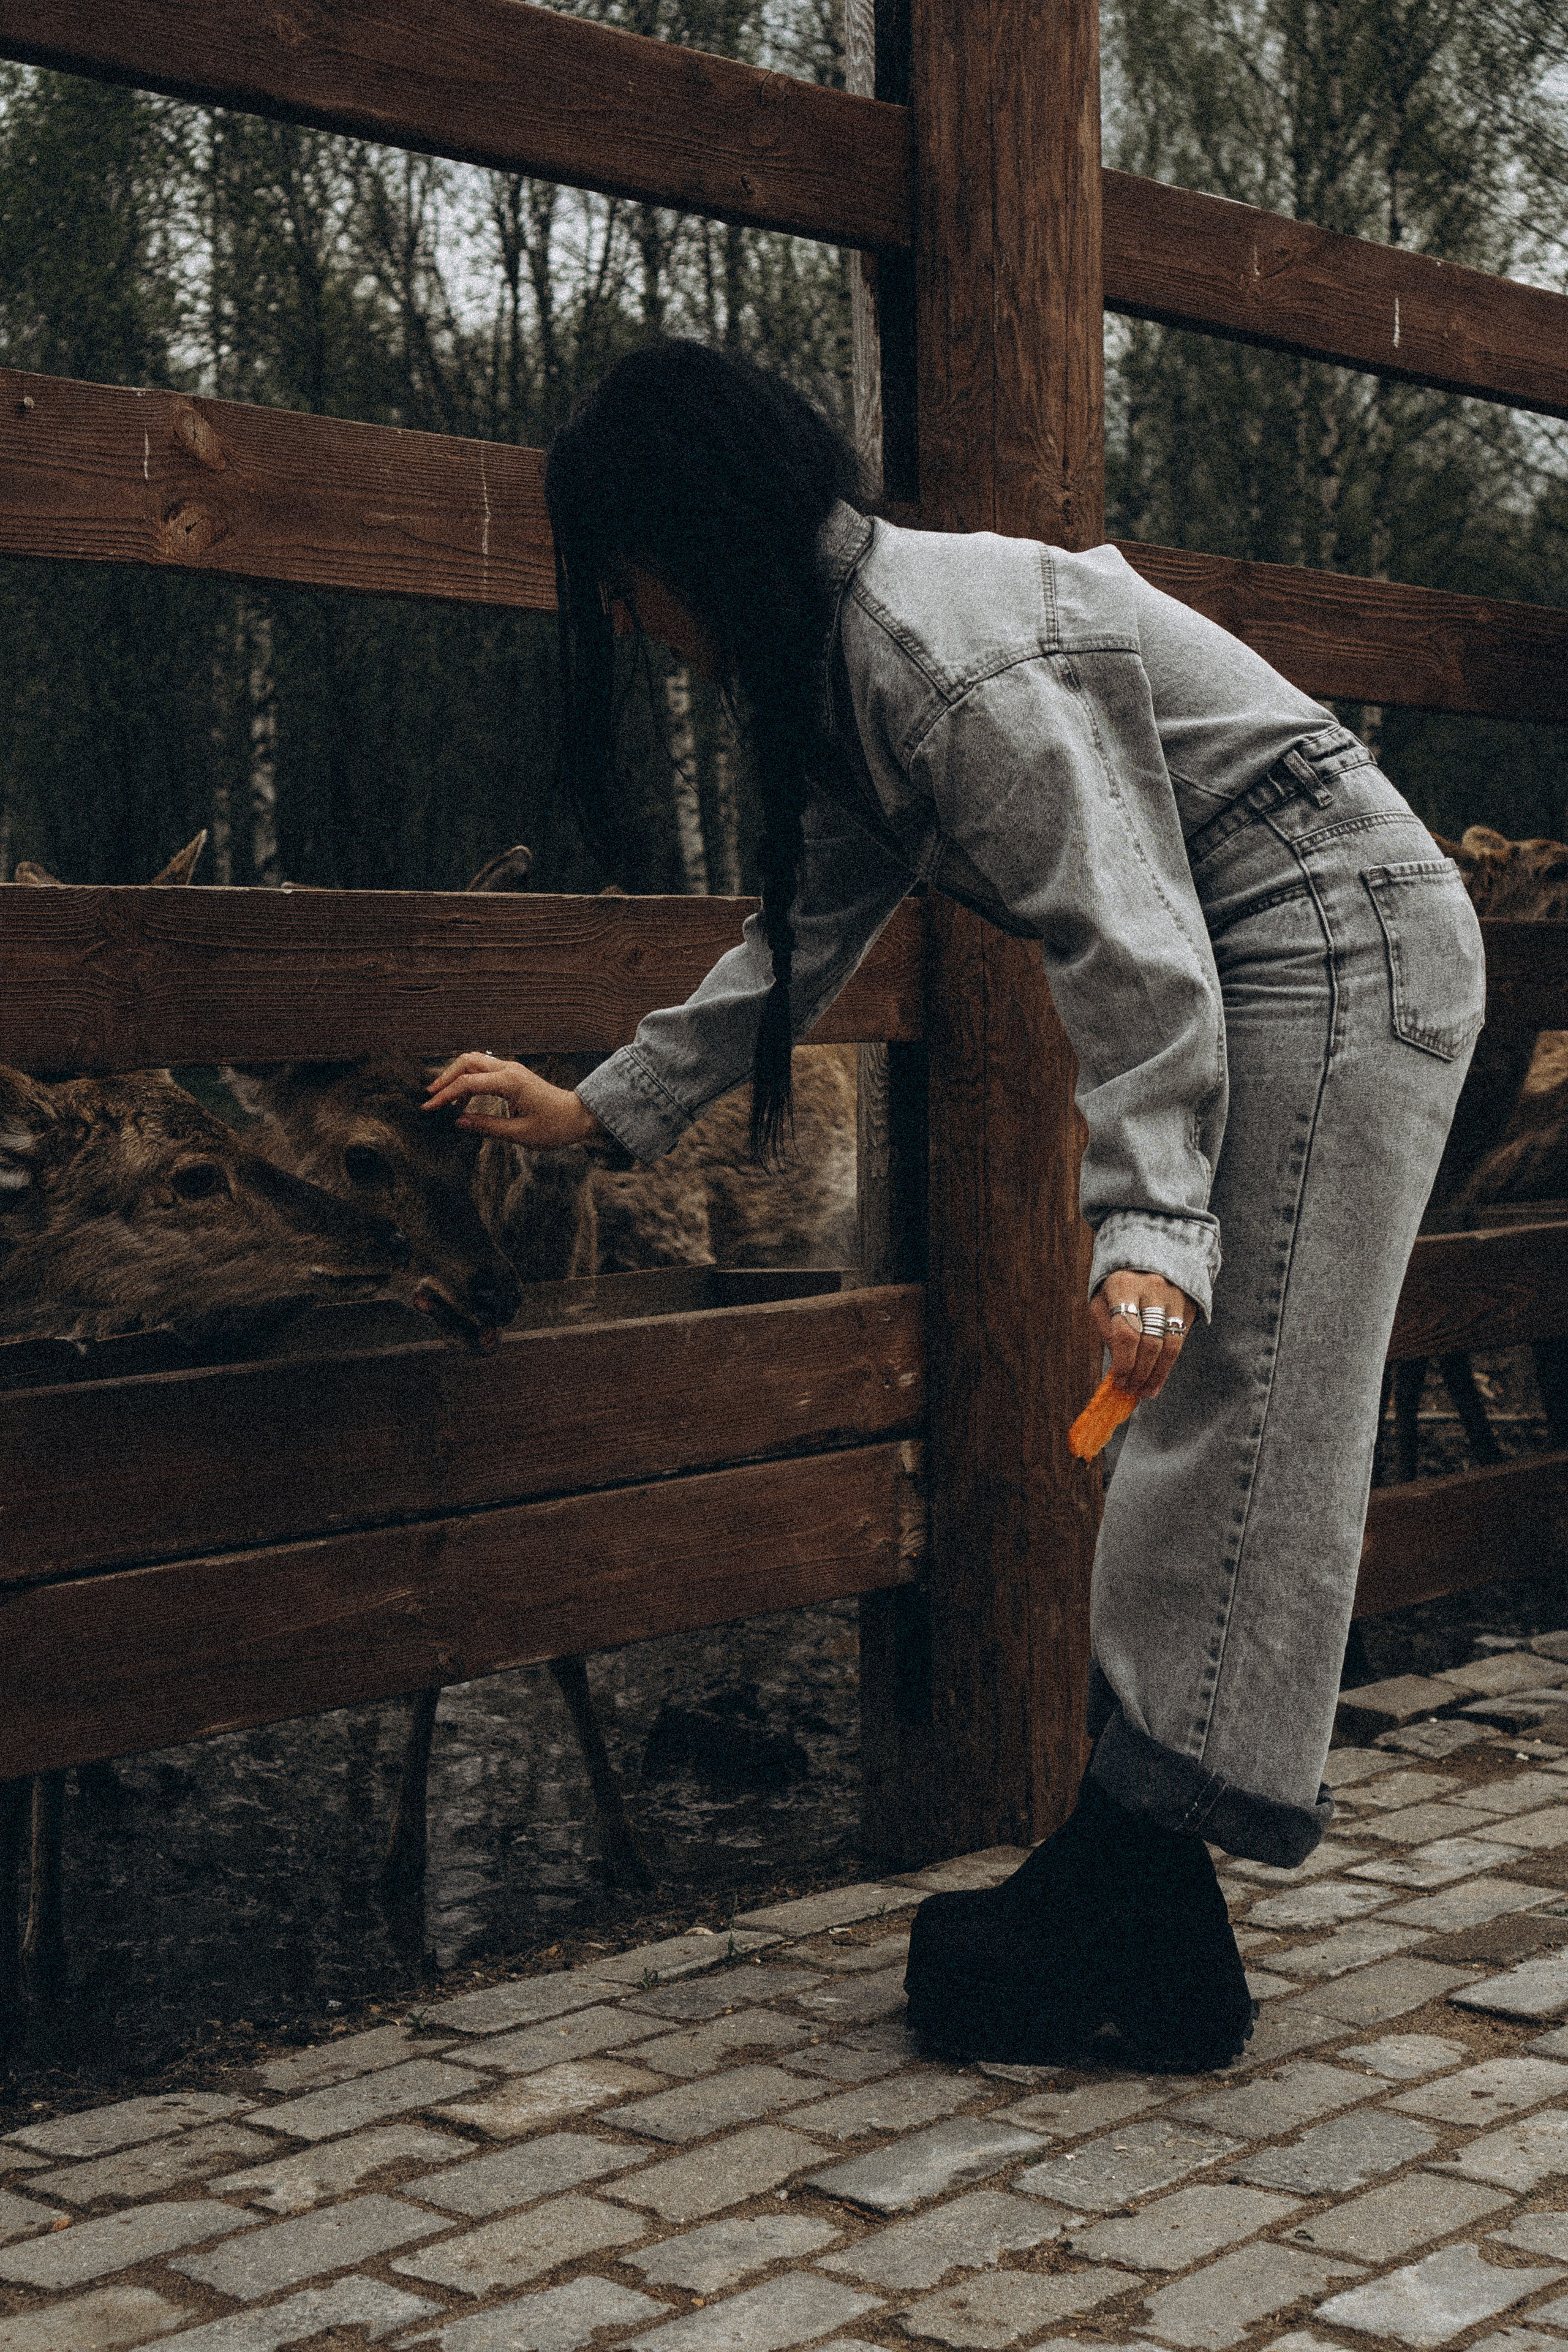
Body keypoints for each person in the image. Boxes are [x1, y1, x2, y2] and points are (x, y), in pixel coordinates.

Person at [424, 339, 1485, 2072]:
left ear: (699, 539)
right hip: (1271, 946)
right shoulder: (855, 662)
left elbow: (1132, 942)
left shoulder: (938, 660)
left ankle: (1131, 1888)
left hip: (1335, 942)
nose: (621, 618)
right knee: (1214, 1412)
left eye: (622, 578)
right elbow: (805, 933)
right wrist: (608, 1106)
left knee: (1238, 1398)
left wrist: (1154, 1233)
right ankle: (1145, 1911)